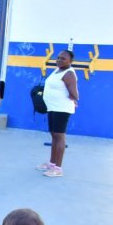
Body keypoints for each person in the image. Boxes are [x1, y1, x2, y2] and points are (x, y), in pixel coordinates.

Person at [38, 50, 79, 178]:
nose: (60, 60)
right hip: (52, 107)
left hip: (61, 109)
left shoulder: (69, 74)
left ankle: (58, 168)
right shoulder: (57, 70)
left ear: (70, 61)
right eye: (59, 57)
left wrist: (71, 101)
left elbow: (75, 94)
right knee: (54, 136)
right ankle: (51, 163)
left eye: (63, 59)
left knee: (59, 137)